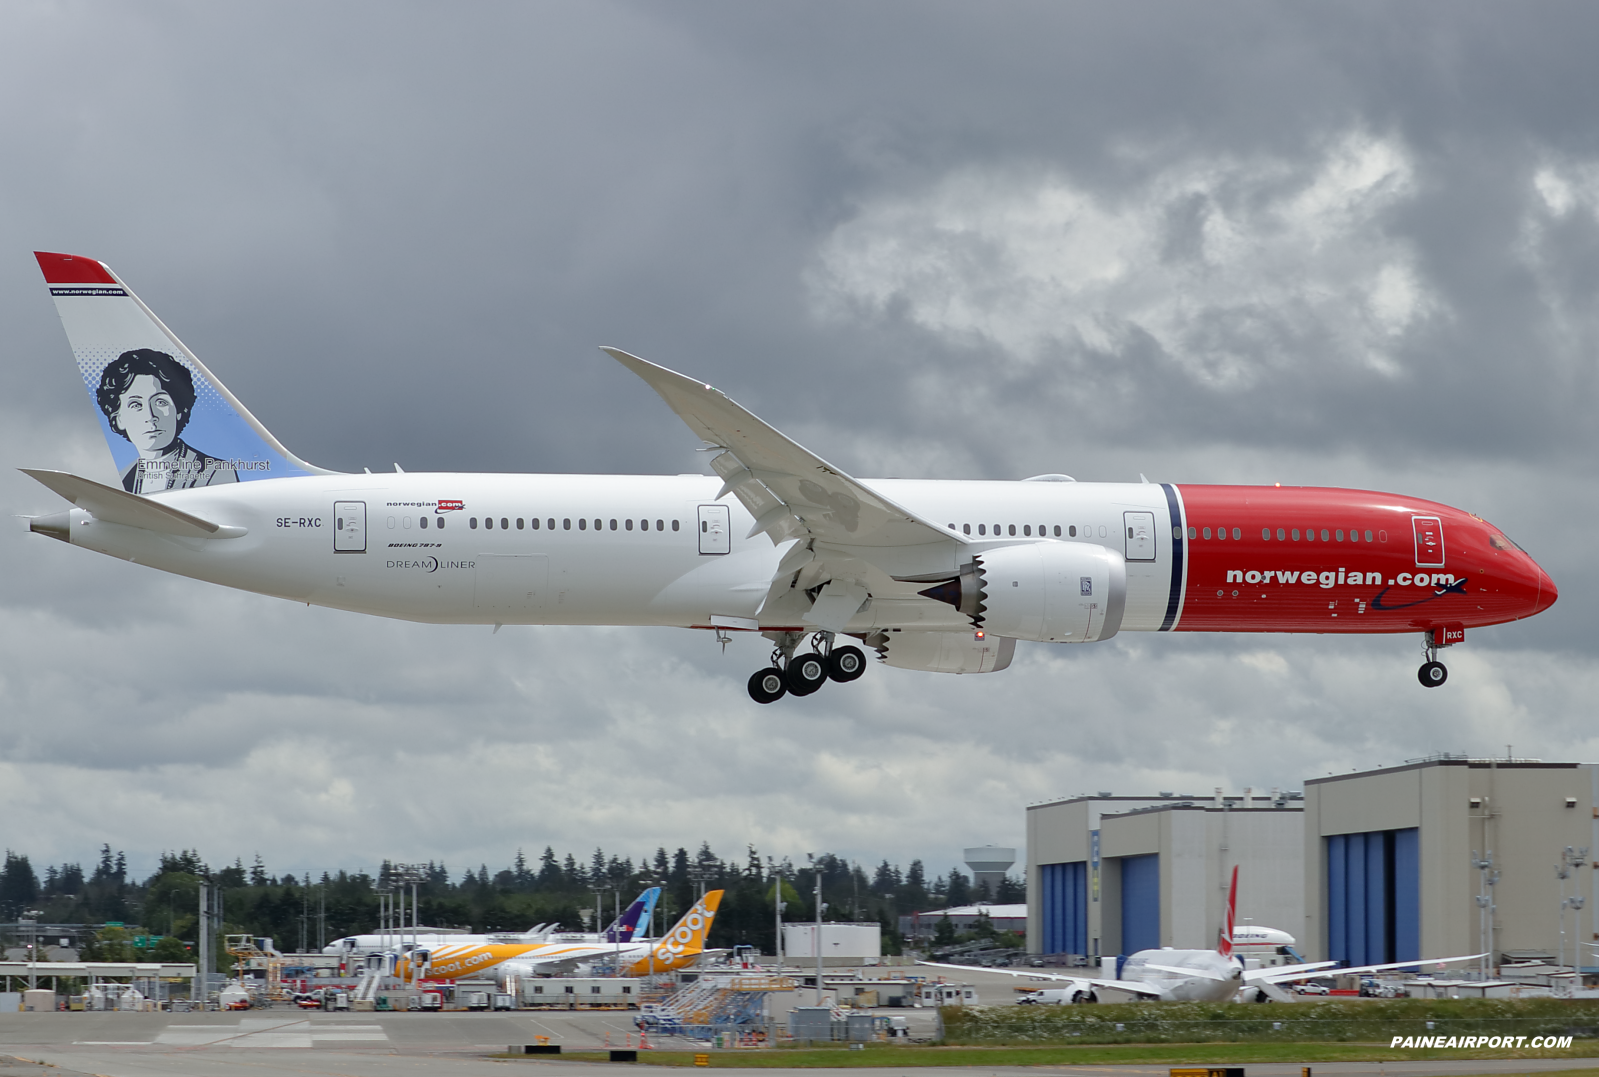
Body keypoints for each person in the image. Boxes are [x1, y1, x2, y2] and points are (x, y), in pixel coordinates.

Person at [95, 349, 238, 493]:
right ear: (118, 419)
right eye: (136, 405)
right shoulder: (122, 483)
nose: (150, 416)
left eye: (160, 402)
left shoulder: (216, 473)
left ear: (179, 410)